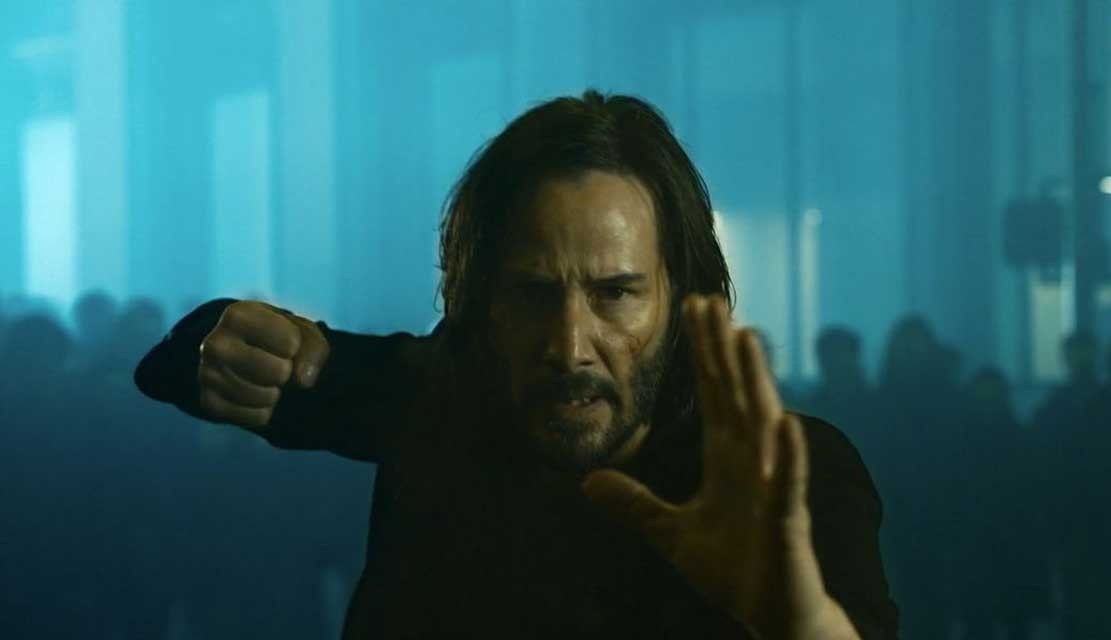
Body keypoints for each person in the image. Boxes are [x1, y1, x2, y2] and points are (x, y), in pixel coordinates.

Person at [136, 90, 898, 639]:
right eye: (534, 294)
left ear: (681, 296)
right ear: (482, 302)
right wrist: (231, 337)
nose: (570, 346)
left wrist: (798, 622)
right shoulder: (436, 402)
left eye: (615, 293)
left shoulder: (787, 476)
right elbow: (176, 370)